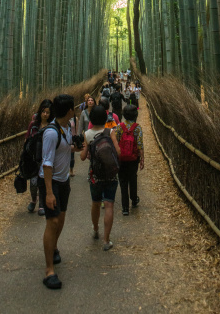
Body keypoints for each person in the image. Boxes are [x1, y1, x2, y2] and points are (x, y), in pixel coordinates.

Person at [38, 94, 81, 290]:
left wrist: (75, 148)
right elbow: (47, 163)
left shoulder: (65, 127)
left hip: (63, 181)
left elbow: (64, 150)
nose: (75, 110)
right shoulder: (51, 133)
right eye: (73, 108)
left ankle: (54, 247)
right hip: (50, 181)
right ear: (69, 111)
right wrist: (48, 193)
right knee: (52, 221)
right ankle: (49, 271)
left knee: (61, 219)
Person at [80, 104, 121, 251]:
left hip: (95, 175)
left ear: (91, 118)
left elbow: (83, 157)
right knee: (109, 204)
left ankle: (96, 229)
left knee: (96, 203)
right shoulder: (110, 132)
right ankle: (106, 240)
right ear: (105, 118)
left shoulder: (87, 134)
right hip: (110, 175)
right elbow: (118, 151)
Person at [115, 104, 144, 215]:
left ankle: (125, 208)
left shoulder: (119, 127)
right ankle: (134, 199)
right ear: (135, 115)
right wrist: (142, 158)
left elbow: (116, 142)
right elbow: (140, 144)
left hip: (121, 158)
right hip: (133, 158)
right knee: (133, 178)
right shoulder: (137, 127)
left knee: (122, 181)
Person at [26, 99, 52, 215]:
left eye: (48, 112)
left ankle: (42, 204)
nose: (45, 114)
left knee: (43, 182)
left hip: (46, 157)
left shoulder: (52, 126)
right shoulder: (33, 125)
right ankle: (33, 199)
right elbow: (26, 139)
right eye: (43, 112)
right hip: (33, 157)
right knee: (33, 182)